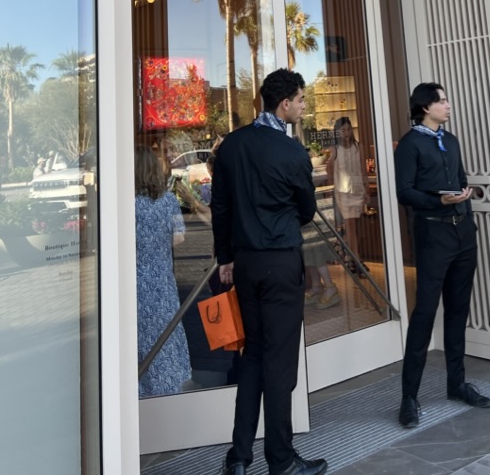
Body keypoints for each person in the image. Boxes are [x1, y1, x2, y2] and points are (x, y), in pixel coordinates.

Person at [211, 68, 328, 475]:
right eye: (301, 100)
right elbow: (307, 210)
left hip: (245, 263)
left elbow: (221, 207)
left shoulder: (232, 146)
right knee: (279, 366)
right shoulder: (292, 152)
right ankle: (281, 460)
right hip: (280, 261)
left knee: (254, 357)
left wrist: (226, 257)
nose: (303, 106)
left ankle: (239, 457)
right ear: (284, 103)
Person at [394, 82, 490, 428]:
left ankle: (457, 384)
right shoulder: (409, 145)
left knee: (458, 310)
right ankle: (409, 397)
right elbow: (404, 193)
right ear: (425, 107)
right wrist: (438, 201)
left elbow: (461, 181)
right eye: (442, 101)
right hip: (432, 235)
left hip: (462, 233)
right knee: (424, 313)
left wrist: (466, 208)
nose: (448, 105)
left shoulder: (451, 140)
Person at [134, 145, 192, 399]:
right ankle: (168, 389)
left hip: (135, 282)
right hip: (162, 281)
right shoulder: (168, 200)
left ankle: (141, 391)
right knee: (165, 337)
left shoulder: (126, 205)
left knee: (139, 339)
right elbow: (179, 237)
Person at [326, 117, 366, 266]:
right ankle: (355, 259)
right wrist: (332, 185)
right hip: (343, 192)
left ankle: (355, 257)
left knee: (357, 226)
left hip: (358, 190)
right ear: (337, 132)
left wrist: (366, 190)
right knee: (350, 225)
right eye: (343, 130)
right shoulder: (335, 149)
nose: (347, 133)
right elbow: (329, 170)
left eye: (349, 129)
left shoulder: (358, 147)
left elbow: (363, 169)